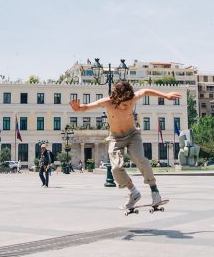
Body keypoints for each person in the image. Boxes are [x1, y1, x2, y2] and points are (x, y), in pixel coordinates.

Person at [70, 81, 181, 209]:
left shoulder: (132, 98)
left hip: (133, 135)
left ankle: (155, 191)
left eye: (130, 104)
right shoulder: (107, 102)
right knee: (116, 168)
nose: (127, 106)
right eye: (124, 104)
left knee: (141, 160)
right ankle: (133, 192)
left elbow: (145, 91)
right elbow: (87, 106)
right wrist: (79, 108)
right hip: (115, 138)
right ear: (117, 99)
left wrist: (165, 95)